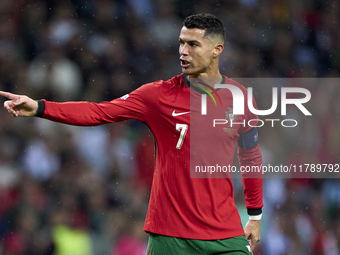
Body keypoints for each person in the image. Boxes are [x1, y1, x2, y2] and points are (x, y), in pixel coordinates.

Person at [1, 13, 263, 255]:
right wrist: (40, 108)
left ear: (217, 50)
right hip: (172, 236)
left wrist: (255, 215)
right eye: (181, 43)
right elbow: (98, 112)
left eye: (193, 45)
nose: (183, 51)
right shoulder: (158, 96)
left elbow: (250, 157)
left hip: (225, 234)